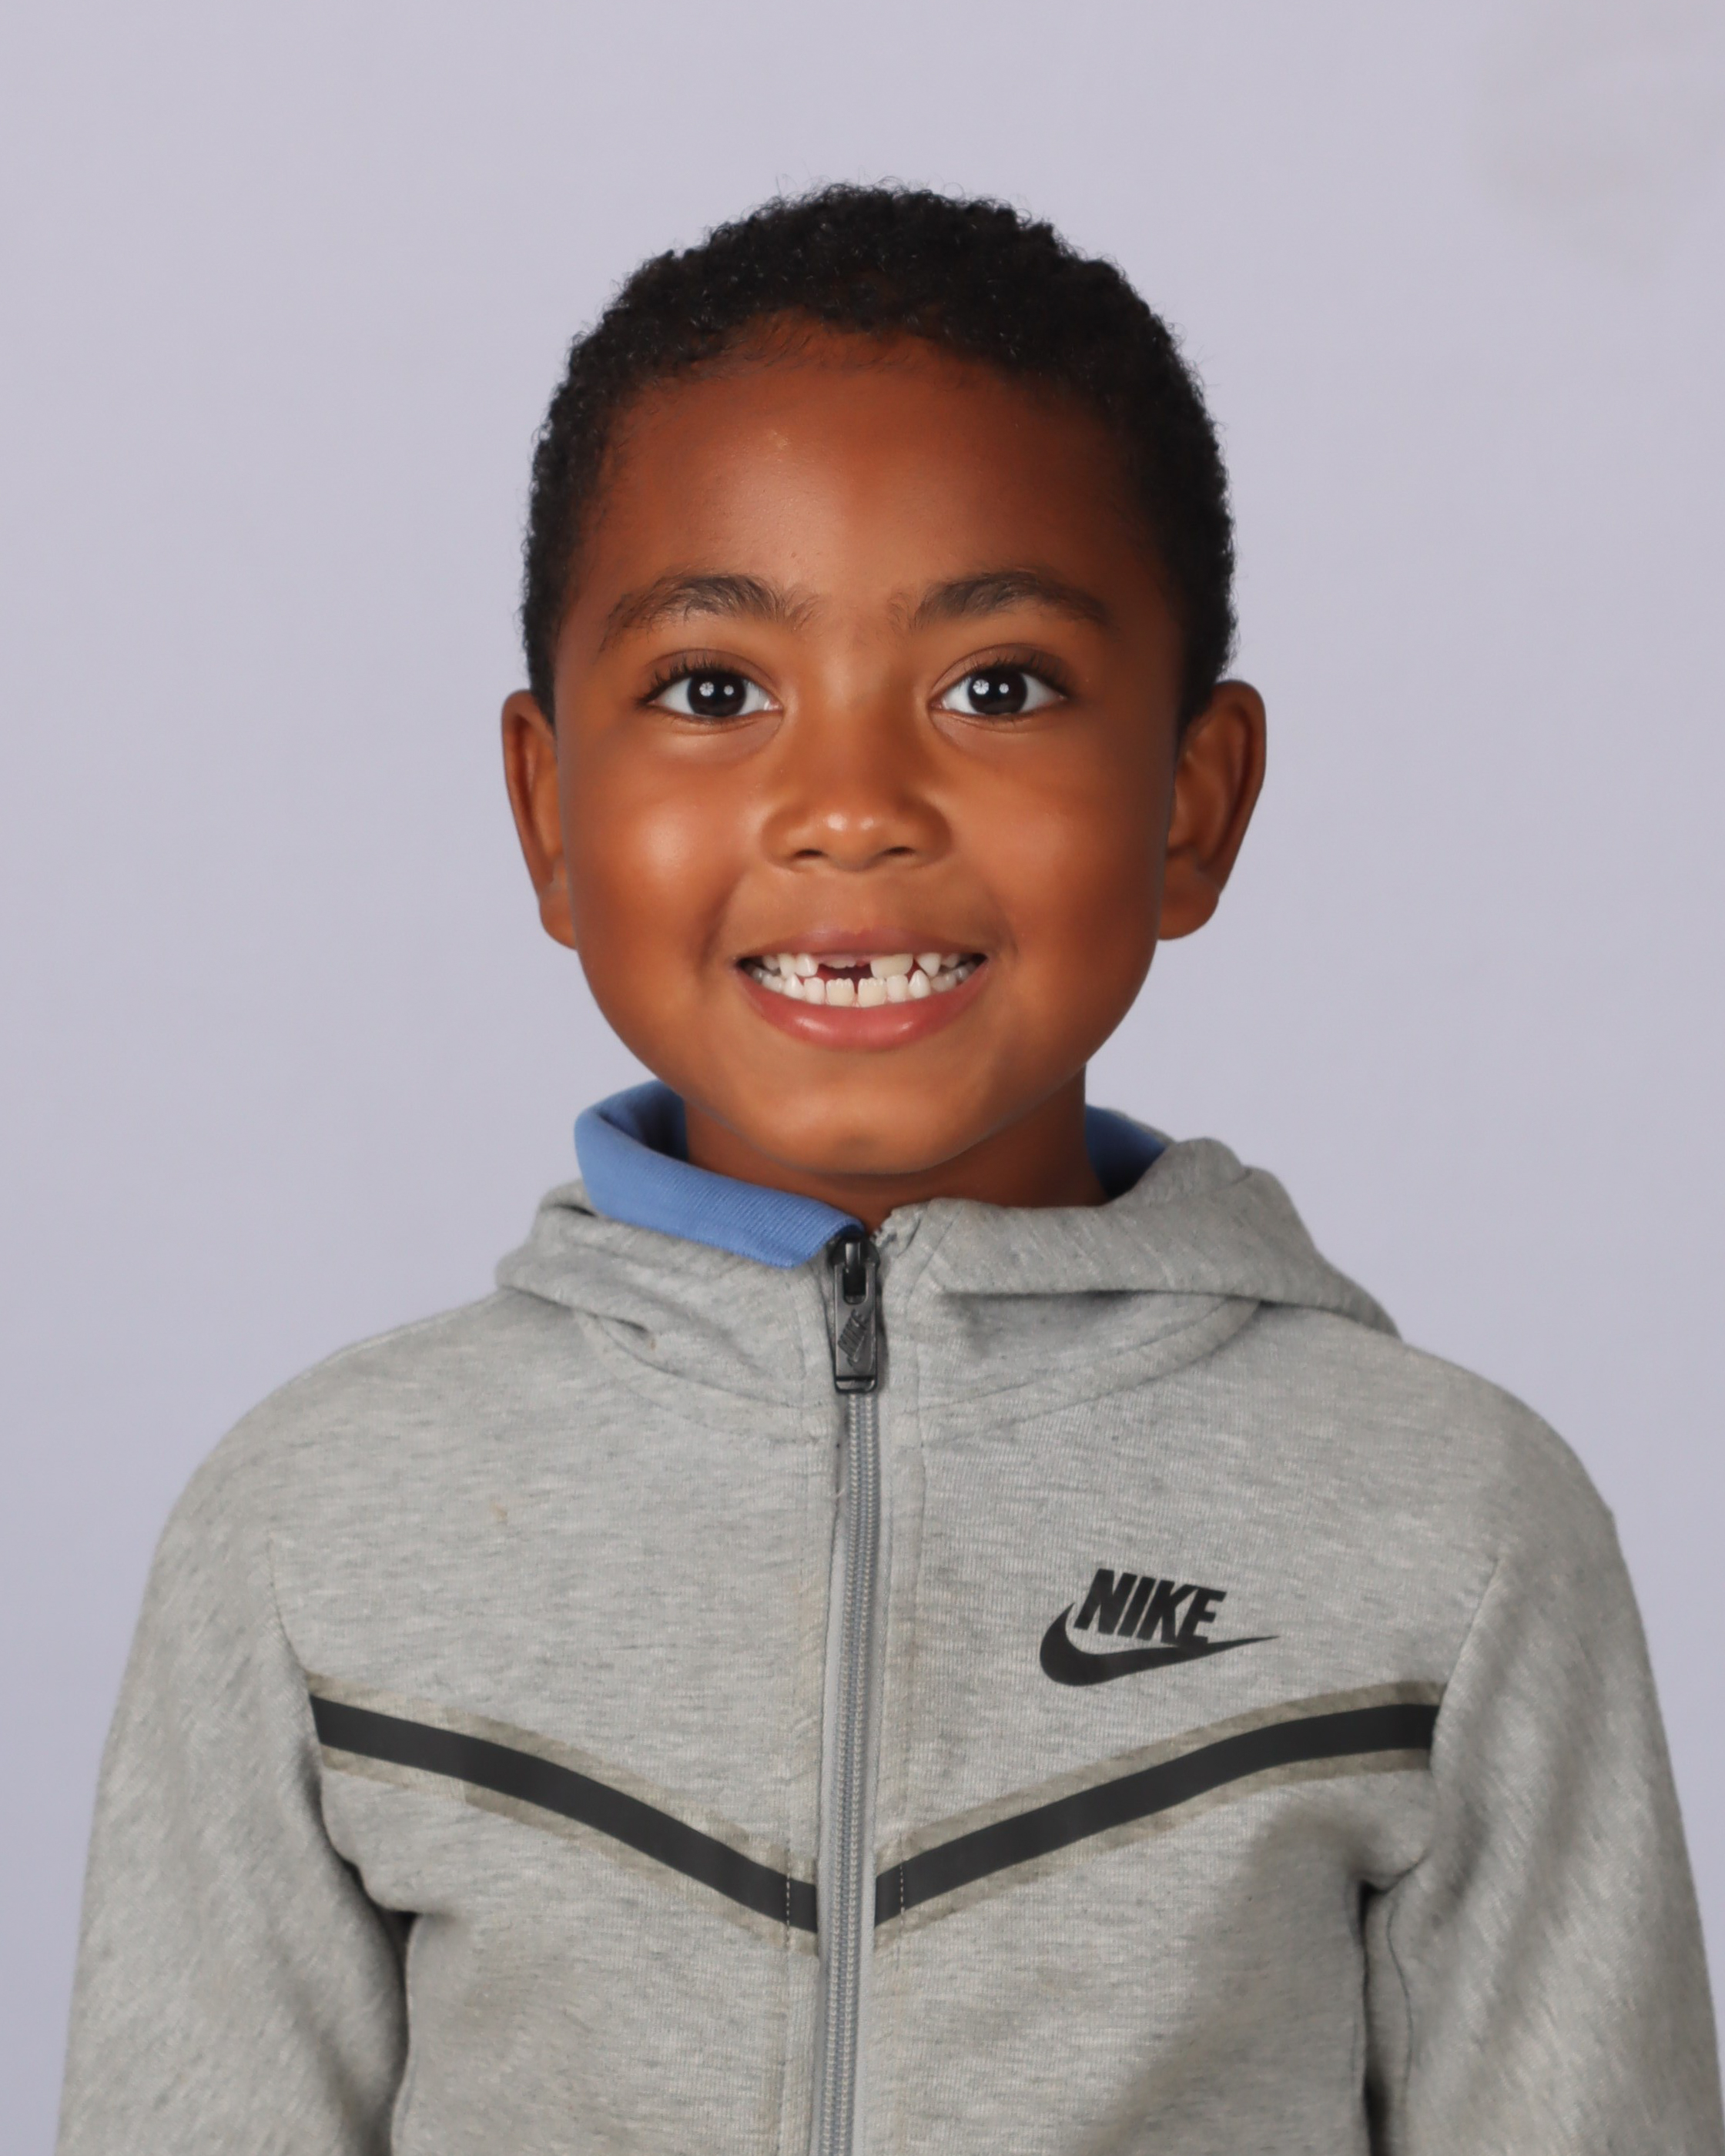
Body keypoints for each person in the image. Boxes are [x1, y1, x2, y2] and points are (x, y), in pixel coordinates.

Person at [57, 186, 1722, 2155]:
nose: (850, 809)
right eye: (713, 690)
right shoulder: (315, 1527)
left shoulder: (1453, 1525)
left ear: (1192, 803)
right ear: (549, 806)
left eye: (996, 686)